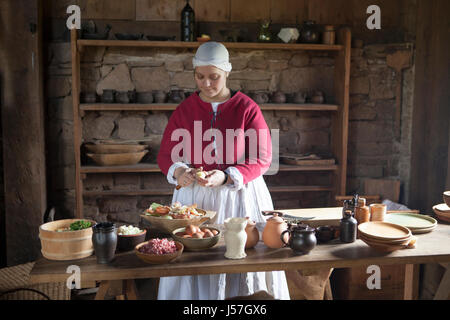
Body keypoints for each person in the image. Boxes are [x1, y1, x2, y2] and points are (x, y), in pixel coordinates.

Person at [156, 41, 290, 300]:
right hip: (195, 201)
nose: (206, 83)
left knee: (242, 257)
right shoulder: (184, 110)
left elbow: (263, 158)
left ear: (227, 72)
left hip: (239, 197)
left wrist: (227, 175)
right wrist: (180, 171)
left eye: (214, 77)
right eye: (200, 76)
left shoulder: (247, 108)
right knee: (196, 264)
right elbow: (165, 155)